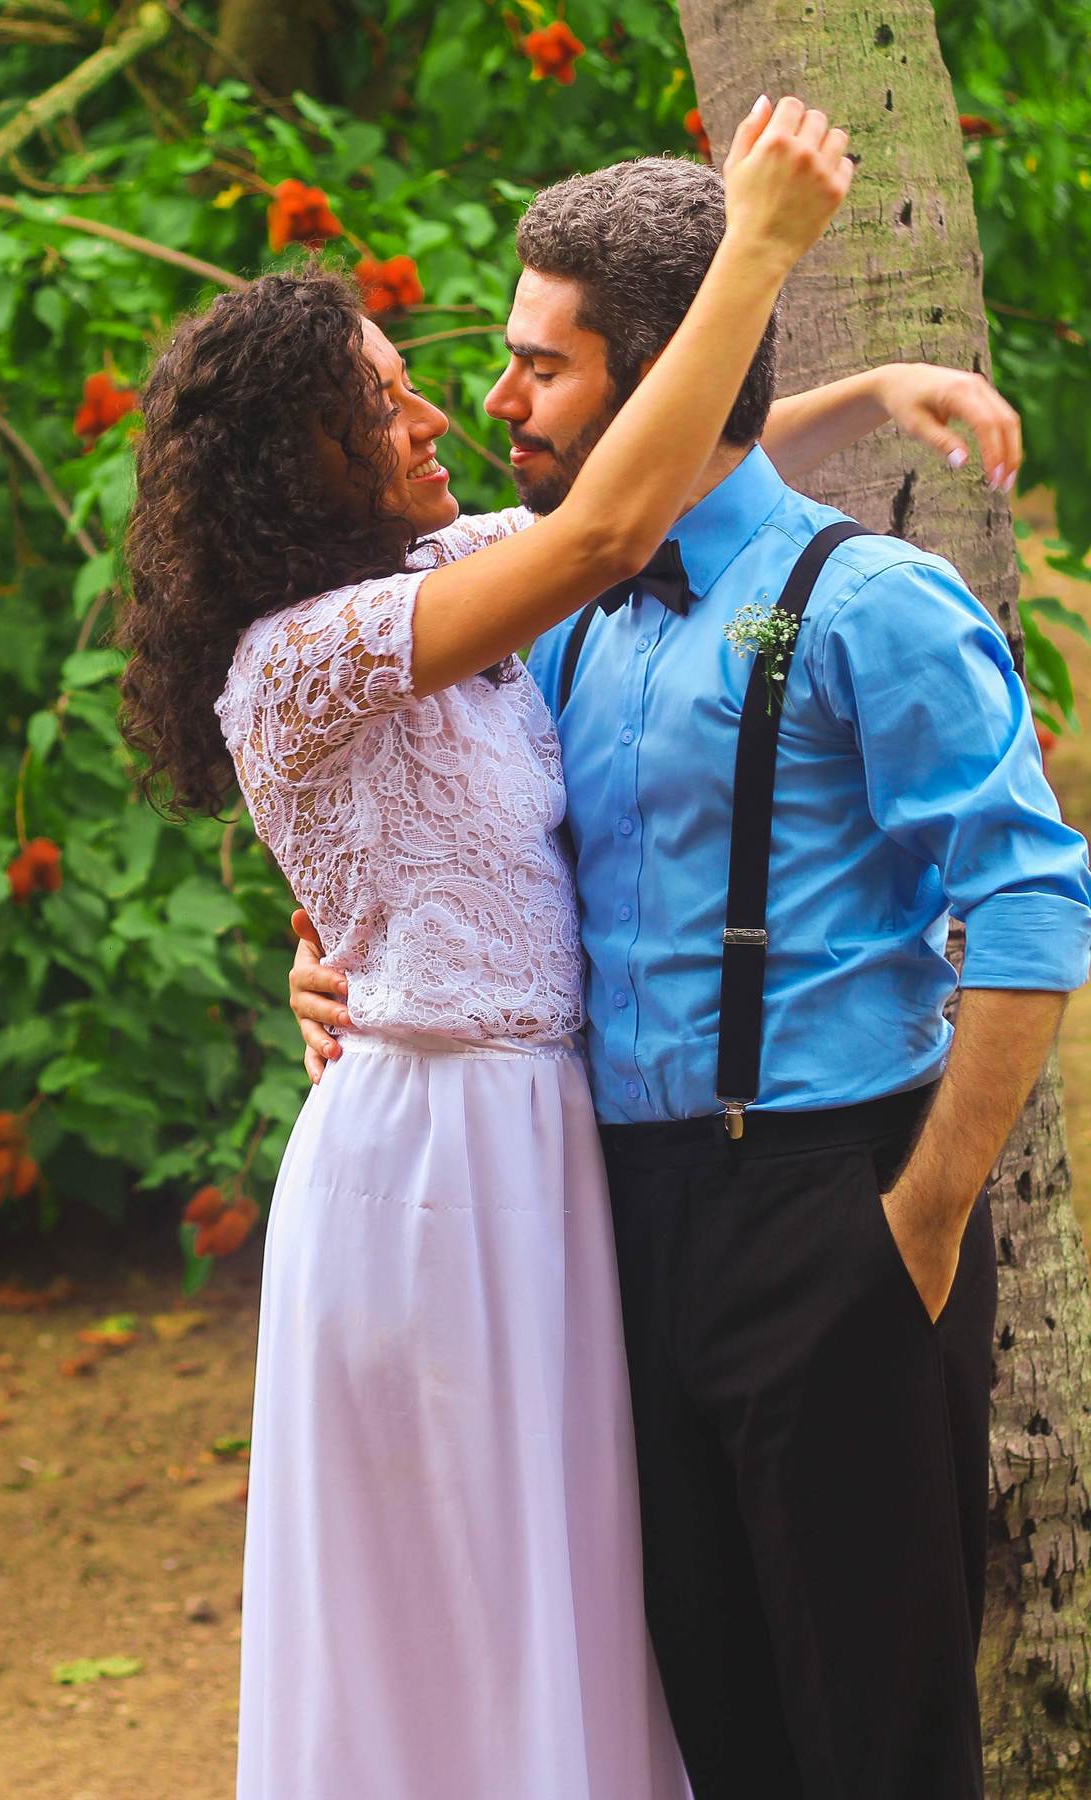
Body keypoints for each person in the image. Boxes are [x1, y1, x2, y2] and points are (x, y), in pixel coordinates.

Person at [289, 155, 1091, 1797]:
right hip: (607, 1231)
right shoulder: (552, 613)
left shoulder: (875, 603)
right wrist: (333, 955)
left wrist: (923, 1217)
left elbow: (1030, 910)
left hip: (834, 1204)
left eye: (545, 363)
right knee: (701, 1724)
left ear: (663, 371)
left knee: (878, 1740)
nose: (496, 395)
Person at [117, 96, 854, 1800]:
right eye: (387, 401)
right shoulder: (304, 651)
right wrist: (757, 245)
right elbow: (601, 537)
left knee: (564, 1588)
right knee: (459, 1601)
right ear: (297, 460)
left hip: (533, 1138)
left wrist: (863, 394)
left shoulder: (429, 567)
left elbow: (651, 487)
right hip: (436, 1167)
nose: (439, 408)